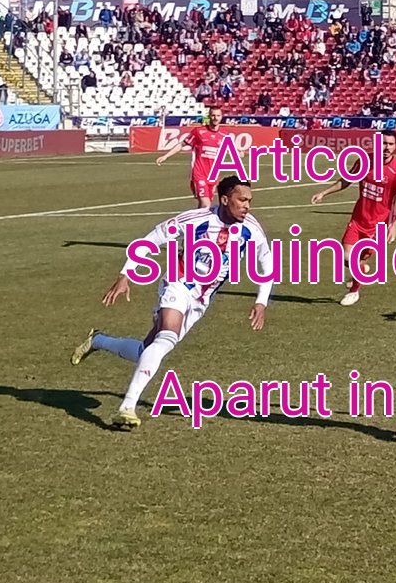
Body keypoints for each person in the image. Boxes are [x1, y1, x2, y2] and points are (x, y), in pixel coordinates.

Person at [70, 176, 274, 429]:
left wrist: (261, 302)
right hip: (178, 284)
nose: (247, 206)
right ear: (224, 199)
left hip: (202, 300)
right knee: (166, 338)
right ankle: (127, 407)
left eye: (250, 201)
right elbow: (151, 239)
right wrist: (125, 274)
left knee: (147, 351)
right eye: (242, 200)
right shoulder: (195, 219)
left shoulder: (251, 228)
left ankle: (98, 340)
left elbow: (267, 263)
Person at [310, 130, 396, 306]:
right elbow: (346, 180)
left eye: (390, 144)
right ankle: (362, 271)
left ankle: (354, 292)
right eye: (383, 143)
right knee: (345, 257)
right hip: (358, 219)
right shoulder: (365, 161)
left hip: (378, 226)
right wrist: (324, 193)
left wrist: (394, 225)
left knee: (358, 260)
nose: (386, 147)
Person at [156, 107, 227, 208]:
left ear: (221, 117)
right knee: (206, 204)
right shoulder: (199, 131)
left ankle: (195, 219)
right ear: (209, 116)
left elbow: (232, 149)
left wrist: (238, 152)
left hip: (213, 176)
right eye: (213, 115)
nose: (215, 118)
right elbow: (182, 144)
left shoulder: (224, 134)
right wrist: (166, 156)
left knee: (203, 208)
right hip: (199, 174)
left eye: (218, 116)